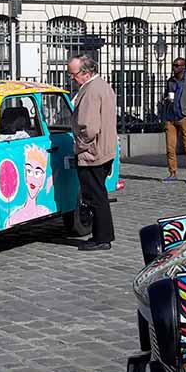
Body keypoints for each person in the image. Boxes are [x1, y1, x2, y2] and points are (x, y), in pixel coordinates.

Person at [68, 55, 117, 251]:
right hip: (103, 149)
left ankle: (102, 238)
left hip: (93, 153)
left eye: (73, 74)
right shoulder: (103, 86)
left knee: (96, 197)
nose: (72, 78)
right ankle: (101, 236)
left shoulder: (91, 91)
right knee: (98, 195)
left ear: (86, 73)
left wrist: (80, 145)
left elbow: (89, 127)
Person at [163, 57, 186, 184]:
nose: (174, 67)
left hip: (184, 116)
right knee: (170, 147)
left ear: (183, 67)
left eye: (177, 65)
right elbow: (165, 96)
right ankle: (172, 173)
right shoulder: (171, 81)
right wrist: (166, 100)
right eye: (173, 65)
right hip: (171, 117)